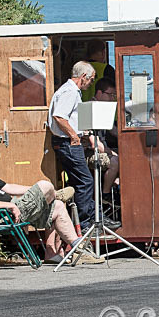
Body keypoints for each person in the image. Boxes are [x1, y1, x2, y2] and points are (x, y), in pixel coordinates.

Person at [0, 135, 101, 264]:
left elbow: (7, 187)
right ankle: (55, 194)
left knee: (57, 205)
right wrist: (10, 206)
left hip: (11, 211)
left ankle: (79, 249)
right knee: (45, 185)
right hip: (4, 216)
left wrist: (33, 190)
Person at [49, 61, 114, 231]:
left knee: (82, 181)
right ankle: (86, 223)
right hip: (67, 143)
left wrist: (81, 134)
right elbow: (59, 117)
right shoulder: (70, 92)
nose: (91, 83)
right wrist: (73, 136)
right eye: (91, 80)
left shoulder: (70, 91)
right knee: (85, 182)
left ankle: (94, 217)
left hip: (69, 141)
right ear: (83, 77)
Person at [85, 78, 120, 197]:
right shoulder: (89, 109)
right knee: (115, 161)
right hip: (89, 152)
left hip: (102, 148)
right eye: (110, 95)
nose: (112, 98)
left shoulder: (104, 108)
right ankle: (105, 195)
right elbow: (94, 144)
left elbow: (114, 131)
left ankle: (116, 184)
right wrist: (113, 153)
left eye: (114, 95)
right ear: (99, 93)